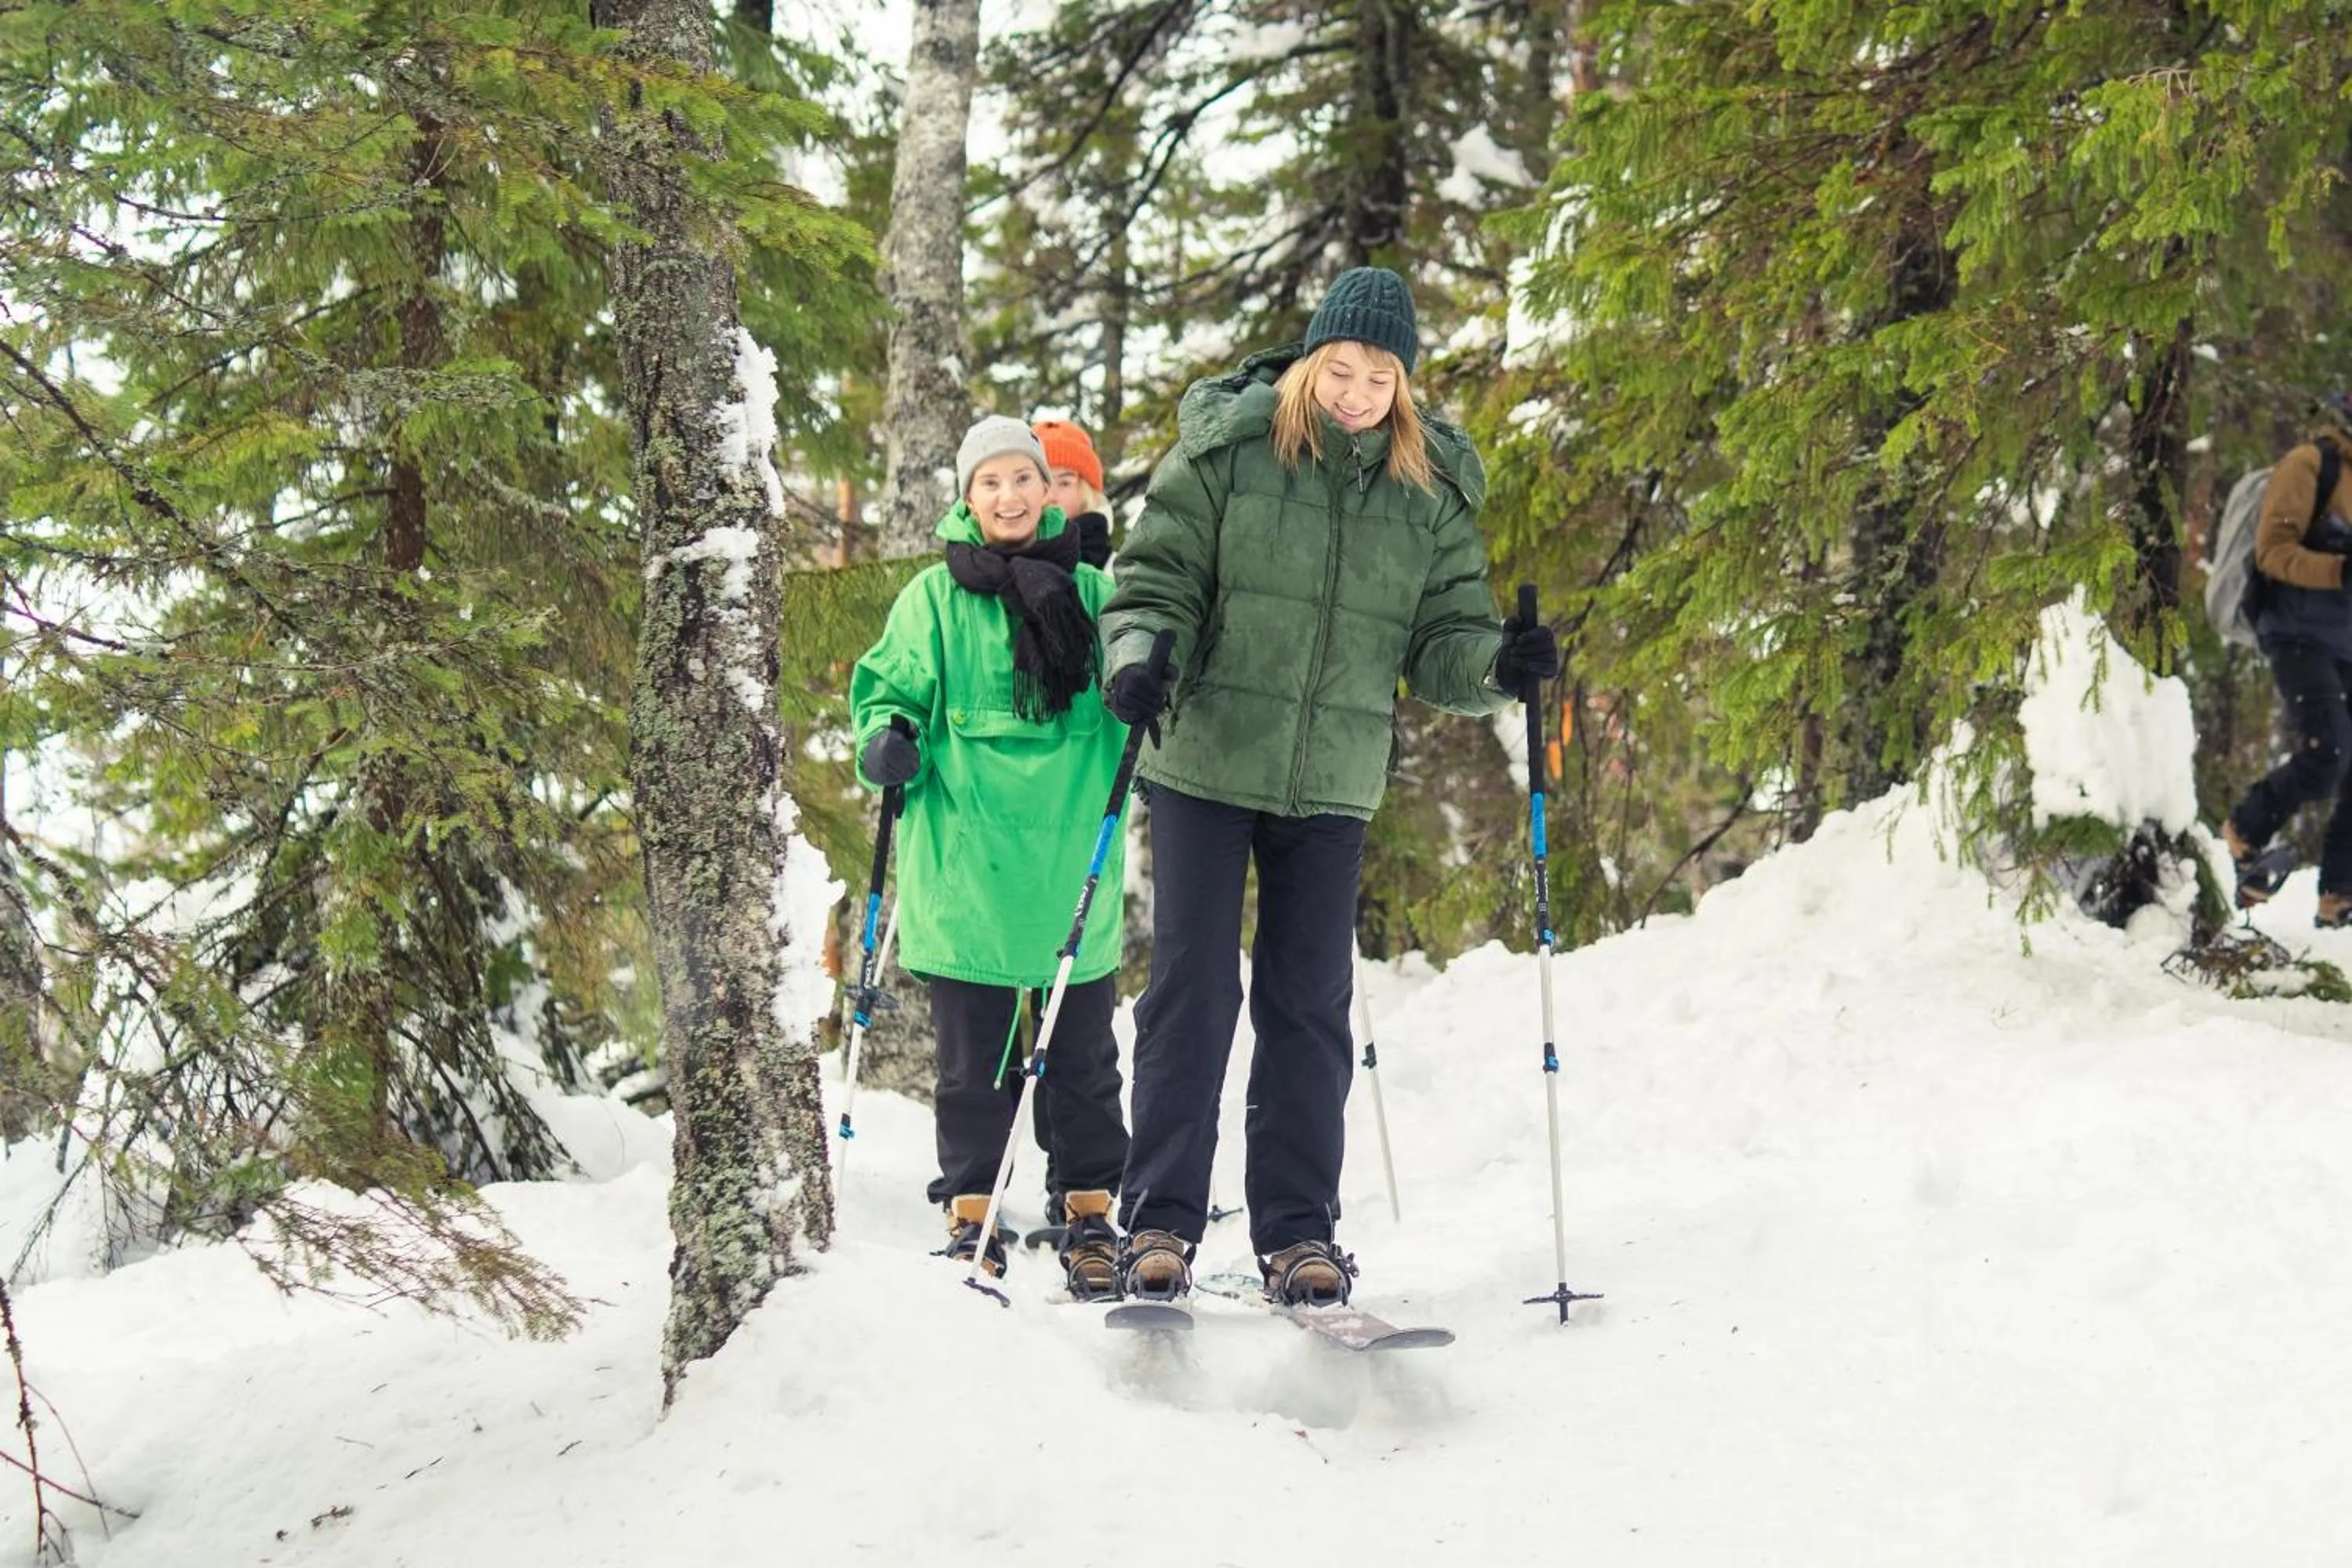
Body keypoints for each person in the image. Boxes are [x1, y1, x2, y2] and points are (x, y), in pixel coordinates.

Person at [1095, 267, 1559, 1305]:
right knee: (1194, 991)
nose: (1355, 391)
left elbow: (1444, 641)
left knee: (1309, 1006)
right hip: (1209, 757)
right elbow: (1153, 576)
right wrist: (1136, 655)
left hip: (1332, 780)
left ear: (1403, 384)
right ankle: (1159, 1222)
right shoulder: (1230, 451)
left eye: (1378, 375)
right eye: (1340, 368)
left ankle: (1298, 1233)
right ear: (1310, 361)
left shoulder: (1425, 493)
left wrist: (1498, 664)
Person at [850, 416, 1134, 1298]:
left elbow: (1140, 681)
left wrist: (1149, 682)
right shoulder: (930, 603)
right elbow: (887, 693)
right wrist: (886, 742)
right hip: (966, 868)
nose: (1009, 497)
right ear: (966, 499)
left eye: (1024, 479)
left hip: (1068, 871)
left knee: (1083, 1063)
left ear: (1052, 490)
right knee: (972, 1069)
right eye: (991, 483)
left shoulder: (1094, 593)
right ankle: (971, 1212)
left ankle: (1088, 1212)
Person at [2222, 393, 2352, 928]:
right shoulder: (2310, 464)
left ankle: (2340, 893)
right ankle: (2247, 830)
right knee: (2328, 752)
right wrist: (2341, 570)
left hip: (2346, 640)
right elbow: (2272, 552)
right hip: (2296, 632)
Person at [1034, 418, 1114, 568]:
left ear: (1085, 492)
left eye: (1064, 483)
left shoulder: (1118, 574)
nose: (1051, 496)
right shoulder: (991, 562)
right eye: (1041, 483)